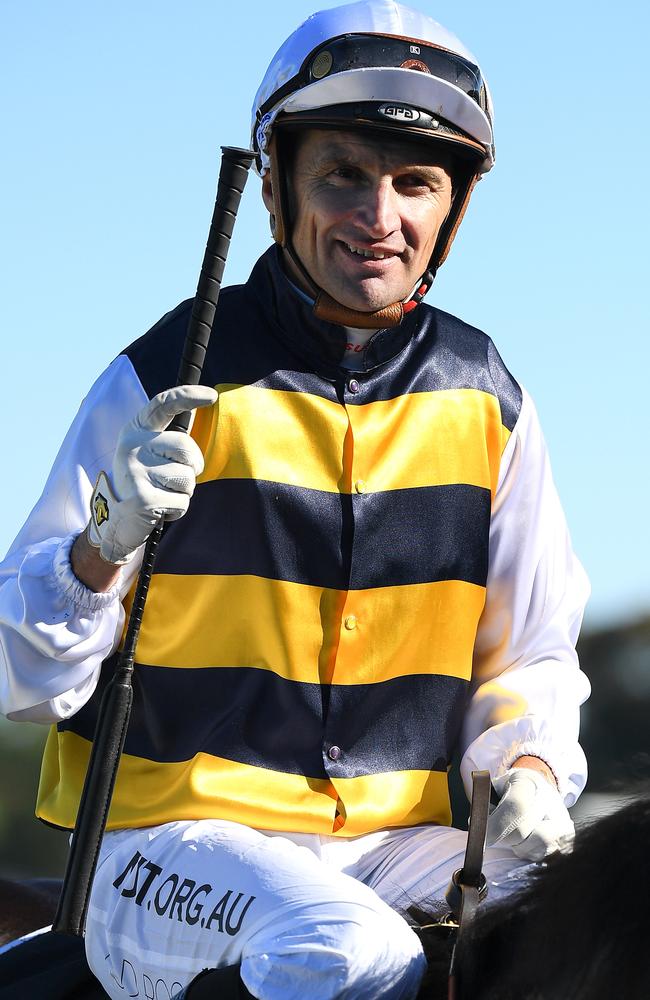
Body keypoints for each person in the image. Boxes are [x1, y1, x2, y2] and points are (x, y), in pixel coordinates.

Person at [0, 1, 591, 998]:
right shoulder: (169, 372)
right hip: (166, 845)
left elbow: (529, 650)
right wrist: (100, 550)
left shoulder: (490, 397)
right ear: (275, 184)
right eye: (342, 176)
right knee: (346, 951)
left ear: (451, 207)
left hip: (394, 841)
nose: (379, 217)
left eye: (414, 183)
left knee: (598, 916)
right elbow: (18, 676)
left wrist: (528, 767)